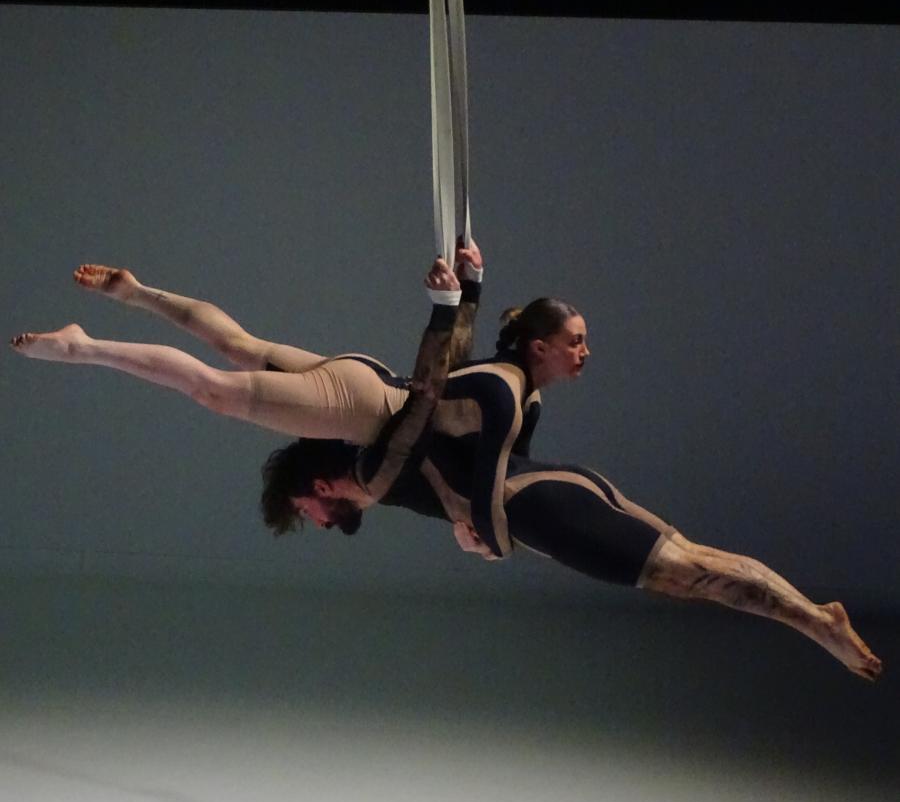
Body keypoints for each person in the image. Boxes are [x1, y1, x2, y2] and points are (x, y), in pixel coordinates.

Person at [260, 293, 884, 685]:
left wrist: (490, 543)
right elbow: (447, 391)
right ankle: (814, 617)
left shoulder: (381, 466)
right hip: (563, 488)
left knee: (690, 576)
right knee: (695, 562)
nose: (317, 520)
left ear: (316, 482)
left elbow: (434, 393)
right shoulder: (421, 439)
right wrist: (467, 290)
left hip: (544, 511)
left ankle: (813, 620)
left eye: (305, 509)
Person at [9, 244, 483, 445]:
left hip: (369, 374)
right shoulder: (491, 452)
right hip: (364, 409)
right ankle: (82, 347)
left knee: (237, 343)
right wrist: (457, 300)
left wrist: (469, 290)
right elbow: (433, 393)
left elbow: (449, 373)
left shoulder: (495, 401)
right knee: (211, 389)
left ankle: (138, 294)